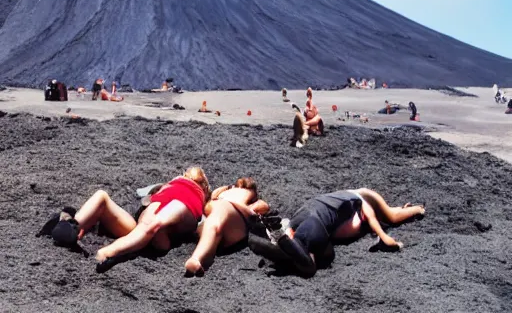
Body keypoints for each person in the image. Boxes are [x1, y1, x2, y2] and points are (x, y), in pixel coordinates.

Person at [48, 167, 211, 273]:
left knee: (102, 197)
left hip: (149, 217)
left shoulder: (171, 183)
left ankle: (72, 223)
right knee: (154, 228)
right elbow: (206, 225)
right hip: (178, 207)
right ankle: (107, 252)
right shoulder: (199, 196)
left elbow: (142, 193)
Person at [249, 188, 425, 277]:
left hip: (301, 217)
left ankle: (270, 241)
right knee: (309, 267)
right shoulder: (359, 200)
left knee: (294, 257)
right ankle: (277, 238)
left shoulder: (339, 199)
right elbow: (378, 217)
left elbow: (382, 216)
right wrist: (386, 238)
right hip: (315, 222)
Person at [184, 177, 270, 276]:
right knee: (214, 228)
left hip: (231, 217)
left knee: (215, 225)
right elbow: (212, 196)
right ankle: (203, 257)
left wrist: (232, 202)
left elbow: (256, 212)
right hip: (219, 216)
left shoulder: (252, 197)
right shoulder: (226, 191)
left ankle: (196, 258)